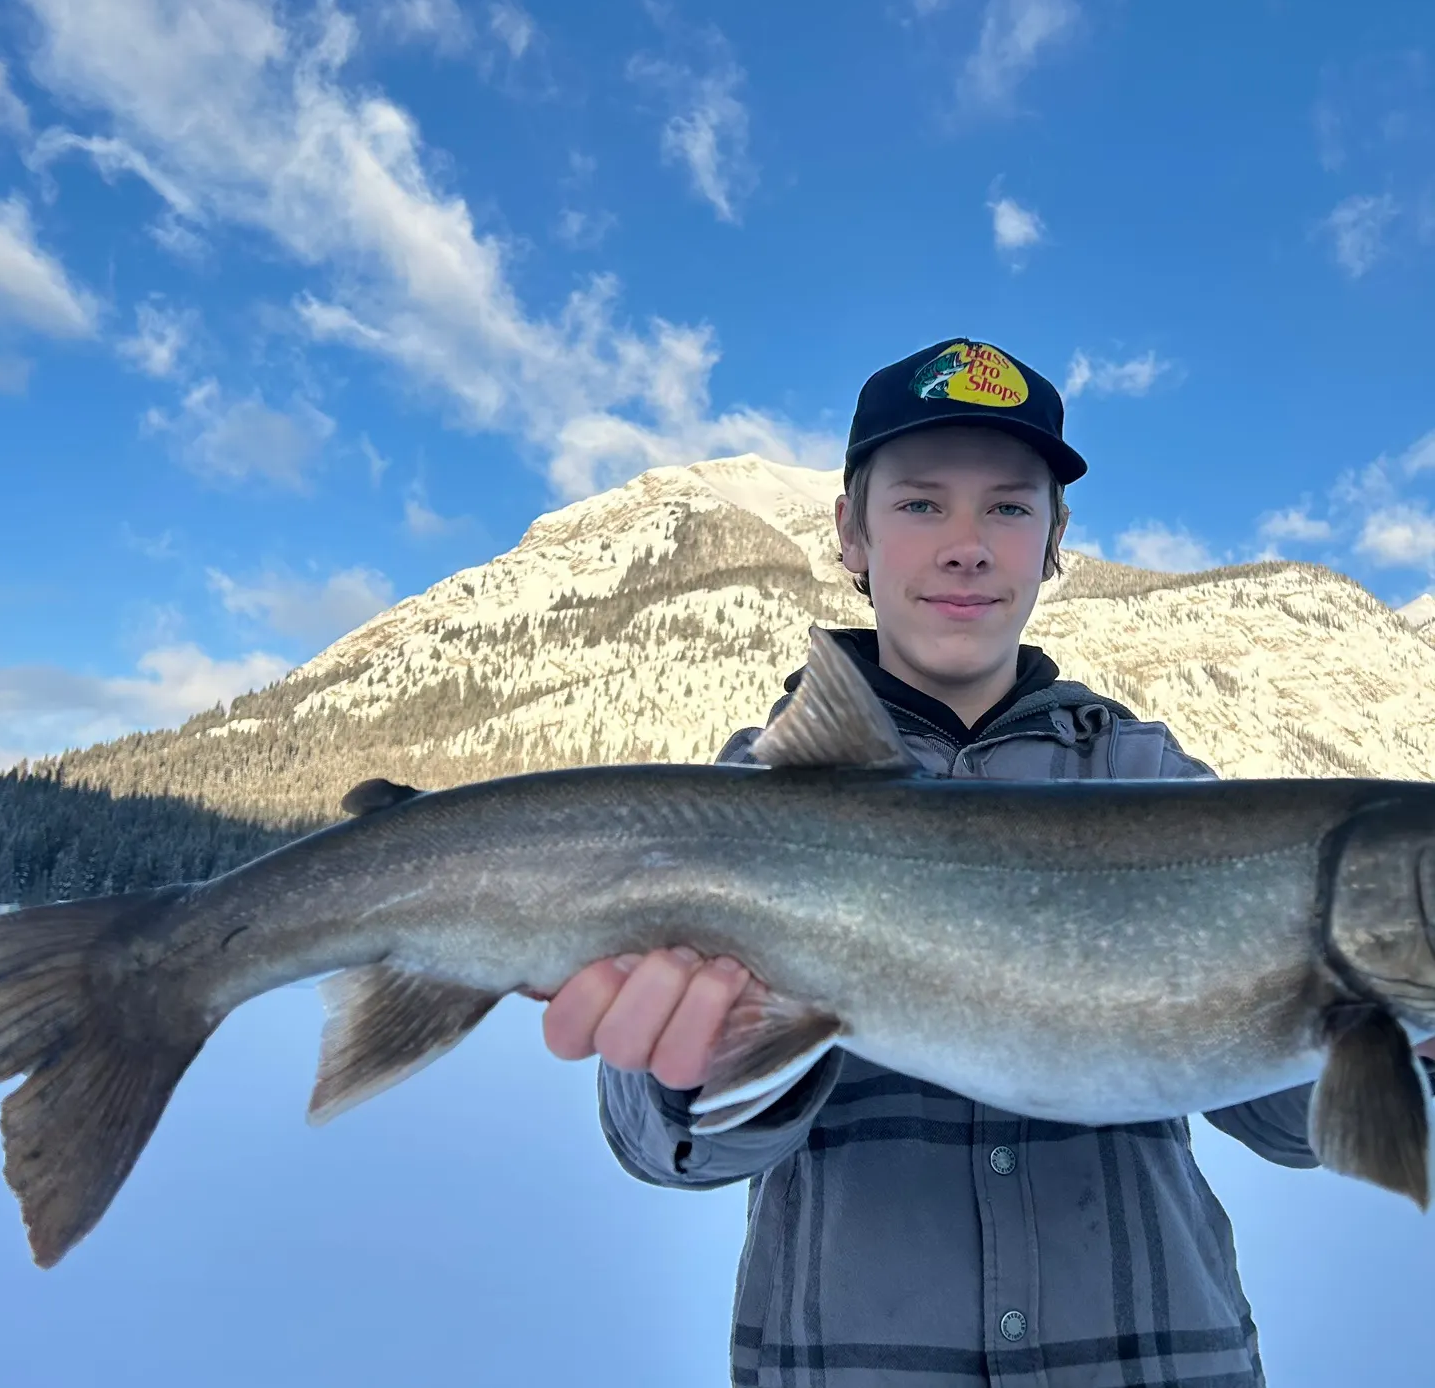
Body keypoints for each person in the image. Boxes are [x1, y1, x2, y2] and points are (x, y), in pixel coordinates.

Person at [538, 337, 1434, 1388]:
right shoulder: (742, 802)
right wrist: (693, 1079)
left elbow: (1290, 1124)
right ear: (850, 535)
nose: (967, 546)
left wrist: (1408, 1051)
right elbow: (664, 1147)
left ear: (1055, 540)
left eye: (1009, 508)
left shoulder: (1156, 783)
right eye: (922, 504)